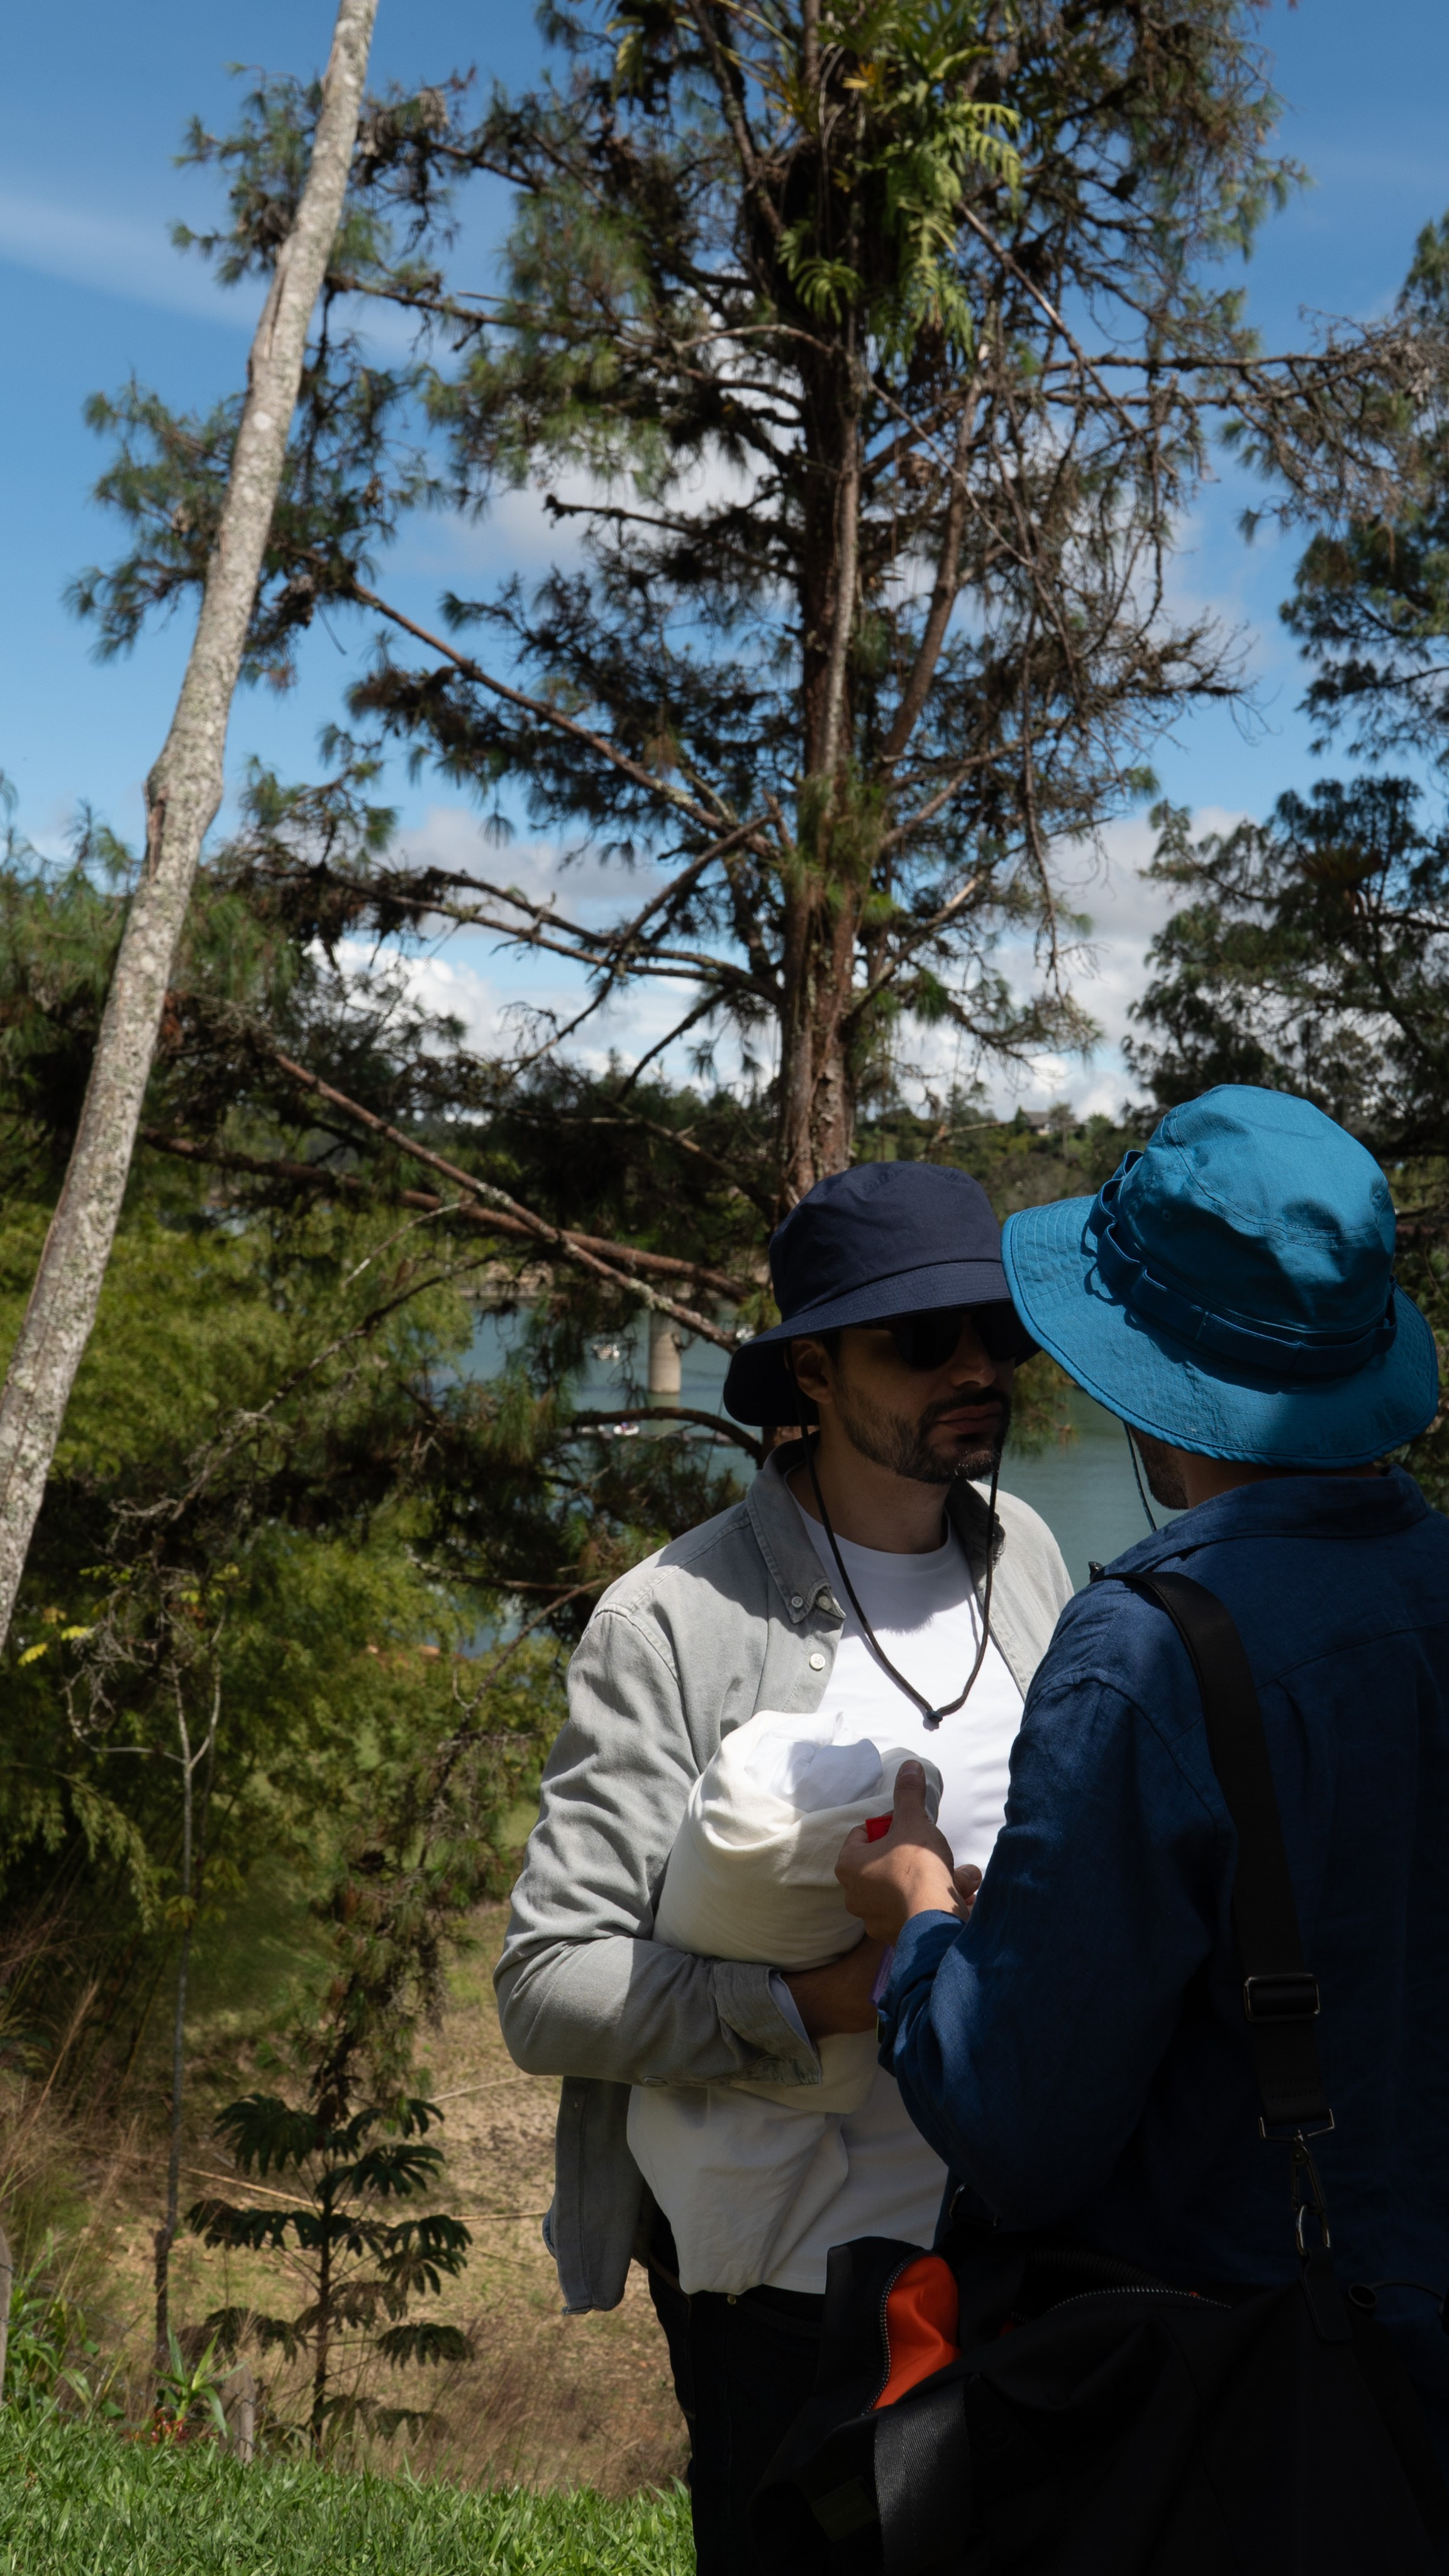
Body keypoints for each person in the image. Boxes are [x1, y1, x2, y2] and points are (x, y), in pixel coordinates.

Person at [838, 1085, 1449, 2507]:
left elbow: (1017, 2120)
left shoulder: (1153, 1651)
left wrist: (921, 1915)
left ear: (1144, 1373)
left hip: (1246, 2409)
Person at [494, 1161, 1074, 2574]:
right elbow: (548, 1983)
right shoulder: (674, 1622)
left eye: (990, 1331)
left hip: (1015, 2245)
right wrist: (847, 1987)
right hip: (786, 2292)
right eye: (920, 1338)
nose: (974, 1366)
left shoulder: (1035, 1562)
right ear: (812, 1368)